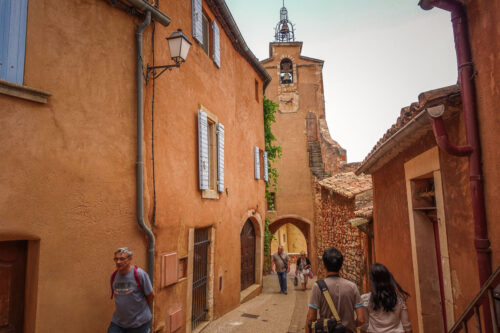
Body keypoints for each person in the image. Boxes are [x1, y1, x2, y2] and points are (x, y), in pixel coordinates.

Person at [306, 247, 365, 333]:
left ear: (324, 266)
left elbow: (311, 317)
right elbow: (361, 319)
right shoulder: (352, 287)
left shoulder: (318, 287)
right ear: (341, 266)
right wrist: (349, 327)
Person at [108, 247, 154, 333]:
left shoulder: (140, 274)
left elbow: (150, 295)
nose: (118, 262)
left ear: (130, 259)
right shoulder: (114, 276)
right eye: (116, 259)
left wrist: (141, 313)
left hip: (139, 324)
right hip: (118, 322)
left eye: (122, 259)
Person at [359, 263, 412, 333]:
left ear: (372, 281)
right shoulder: (399, 299)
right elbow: (407, 327)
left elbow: (365, 325)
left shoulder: (365, 299)